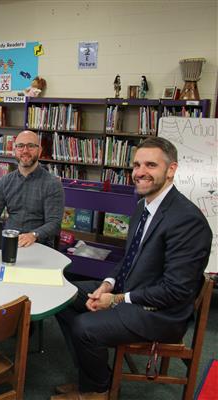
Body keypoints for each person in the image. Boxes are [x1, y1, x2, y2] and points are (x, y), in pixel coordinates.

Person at [53, 137, 212, 400]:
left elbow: (175, 291)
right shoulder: (142, 206)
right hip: (133, 289)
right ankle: (95, 378)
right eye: (137, 164)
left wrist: (115, 299)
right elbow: (130, 259)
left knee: (84, 326)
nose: (140, 172)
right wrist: (107, 284)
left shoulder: (187, 221)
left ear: (171, 169)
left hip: (162, 313)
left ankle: (97, 392)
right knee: (64, 297)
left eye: (151, 164)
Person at [0, 130, 64, 248]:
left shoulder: (52, 184)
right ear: (15, 150)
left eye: (30, 146)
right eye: (20, 146)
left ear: (39, 151)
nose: (25, 151)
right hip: (10, 240)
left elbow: (54, 223)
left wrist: (33, 235)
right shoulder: (5, 181)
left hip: (39, 244)